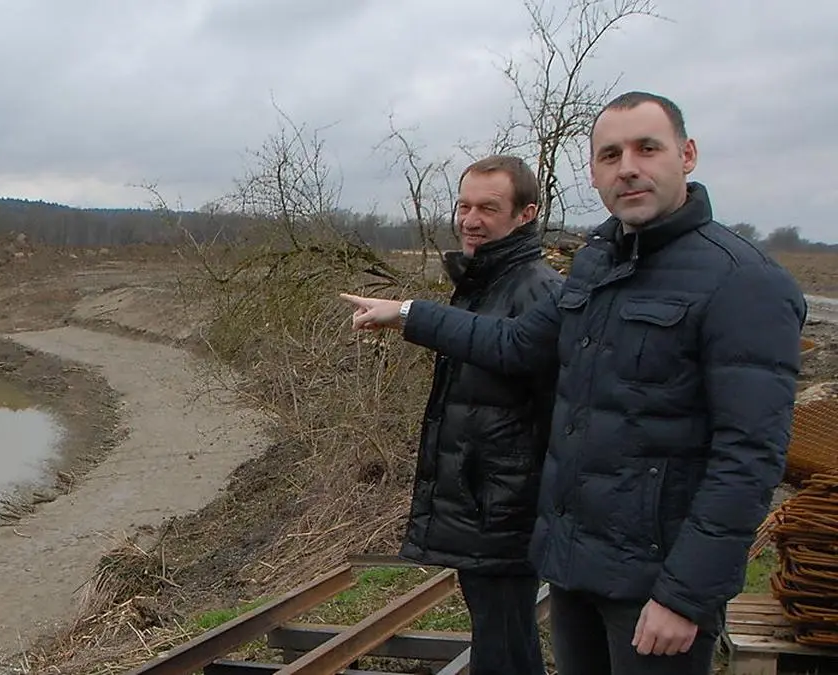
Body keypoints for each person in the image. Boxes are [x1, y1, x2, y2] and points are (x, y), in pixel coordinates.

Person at [340, 91, 807, 675]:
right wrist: (407, 312)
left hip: (655, 586)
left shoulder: (744, 282)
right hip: (574, 568)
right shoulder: (597, 264)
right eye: (609, 155)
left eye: (647, 148)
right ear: (593, 172)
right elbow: (511, 345)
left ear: (686, 155)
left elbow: (749, 457)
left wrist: (685, 594)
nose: (628, 166)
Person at [397, 155, 561, 675]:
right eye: (464, 205)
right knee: (502, 638)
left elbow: (551, 410)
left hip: (506, 505)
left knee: (504, 644)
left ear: (525, 214)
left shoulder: (534, 289)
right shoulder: (486, 281)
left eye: (488, 208)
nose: (470, 219)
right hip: (485, 501)